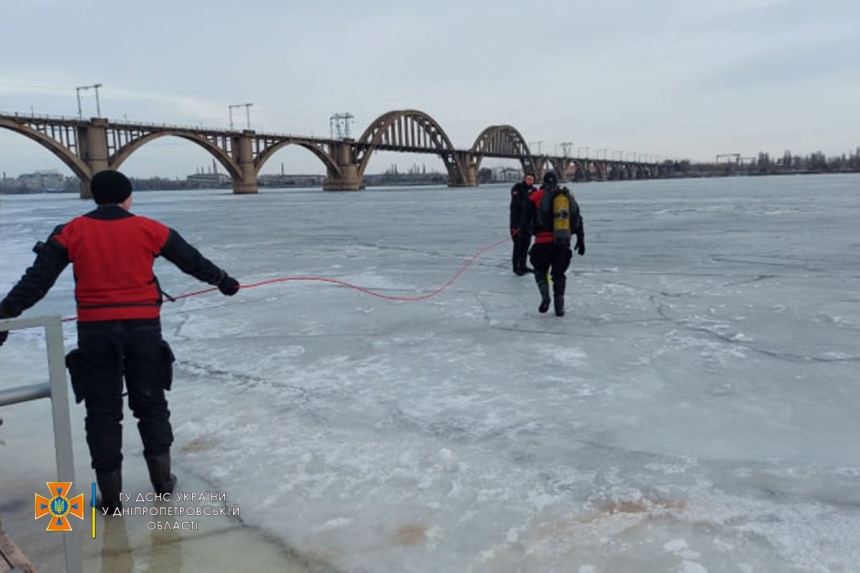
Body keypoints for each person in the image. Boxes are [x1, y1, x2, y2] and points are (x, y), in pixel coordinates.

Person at [0, 170, 240, 513]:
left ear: (95, 197)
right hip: (144, 332)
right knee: (151, 404)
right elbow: (192, 261)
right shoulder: (150, 229)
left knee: (102, 413)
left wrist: (4, 314)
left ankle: (110, 501)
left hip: (95, 334)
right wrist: (224, 282)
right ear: (129, 197)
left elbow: (36, 281)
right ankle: (162, 485)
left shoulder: (71, 232)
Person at [521, 171, 585, 316]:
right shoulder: (566, 197)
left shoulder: (537, 196)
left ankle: (545, 296)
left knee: (540, 271)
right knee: (559, 274)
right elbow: (577, 218)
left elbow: (525, 217)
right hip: (562, 242)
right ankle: (559, 306)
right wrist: (581, 238)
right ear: (556, 182)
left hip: (542, 242)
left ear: (543, 182)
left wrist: (523, 235)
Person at [509, 171, 536, 275]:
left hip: (528, 224)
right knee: (518, 245)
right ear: (525, 179)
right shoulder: (517, 188)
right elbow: (518, 203)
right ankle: (516, 267)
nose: (529, 181)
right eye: (528, 178)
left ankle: (523, 265)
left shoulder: (534, 190)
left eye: (531, 179)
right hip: (517, 222)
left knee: (526, 245)